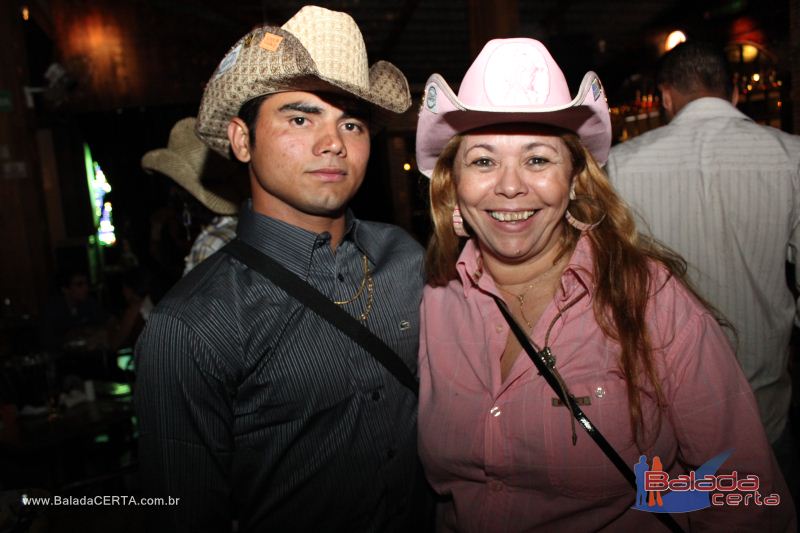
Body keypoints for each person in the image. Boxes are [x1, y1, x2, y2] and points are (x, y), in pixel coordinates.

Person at [415, 37, 795, 531]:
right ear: (455, 186)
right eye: (483, 160)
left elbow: (742, 494)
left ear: (575, 180)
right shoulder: (438, 300)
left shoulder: (648, 300)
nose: (510, 186)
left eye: (537, 159)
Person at [135, 6, 429, 533]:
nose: (332, 142)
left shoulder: (406, 259)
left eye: (352, 122)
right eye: (300, 117)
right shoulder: (192, 325)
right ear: (242, 140)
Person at [605, 41, 800, 499]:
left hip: (665, 411)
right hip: (766, 398)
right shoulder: (792, 157)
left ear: (667, 96)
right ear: (732, 94)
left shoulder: (620, 164)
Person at [141, 116, 246, 275]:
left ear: (187, 197)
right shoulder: (241, 229)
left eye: (176, 187)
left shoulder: (210, 245)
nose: (171, 194)